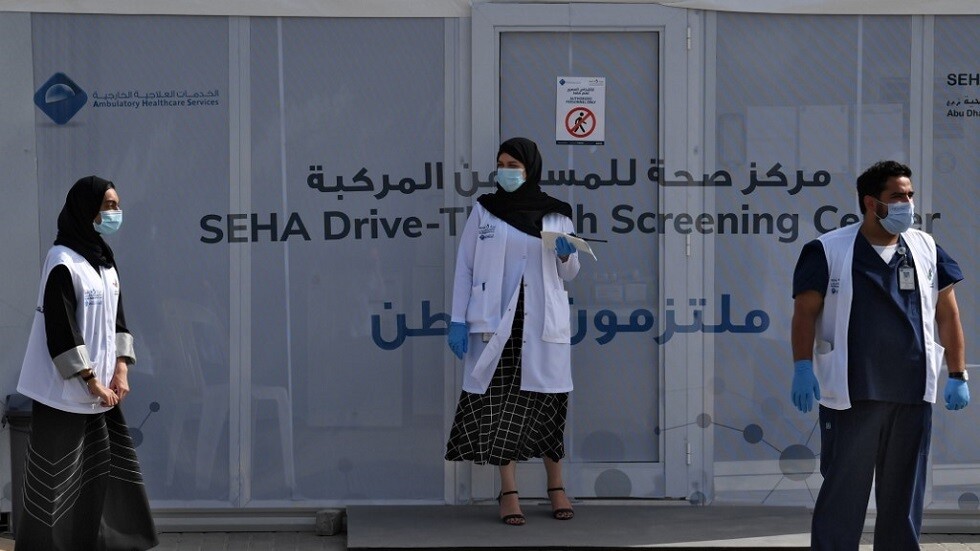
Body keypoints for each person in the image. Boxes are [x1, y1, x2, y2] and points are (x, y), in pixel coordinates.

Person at [790, 160, 968, 550]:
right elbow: (804, 313)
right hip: (854, 395)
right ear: (872, 203)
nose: (908, 203)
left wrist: (957, 374)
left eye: (910, 195)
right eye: (898, 196)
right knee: (843, 496)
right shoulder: (828, 250)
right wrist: (802, 367)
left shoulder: (925, 248)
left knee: (903, 500)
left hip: (911, 394)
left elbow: (948, 314)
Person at [16, 176, 158, 550]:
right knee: (55, 480)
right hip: (64, 392)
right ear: (87, 209)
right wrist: (90, 379)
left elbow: (117, 320)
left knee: (105, 470)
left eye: (117, 205)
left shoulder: (104, 261)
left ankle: (103, 542)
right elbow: (60, 328)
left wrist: (121, 368)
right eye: (109, 205)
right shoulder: (62, 261)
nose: (116, 212)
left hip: (101, 390)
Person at [444, 137, 580, 525]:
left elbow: (569, 273)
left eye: (513, 166)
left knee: (548, 405)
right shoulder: (485, 210)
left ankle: (556, 486)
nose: (505, 171)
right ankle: (508, 491)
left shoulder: (557, 214)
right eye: (501, 164)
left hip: (541, 322)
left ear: (530, 169)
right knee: (501, 404)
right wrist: (458, 319)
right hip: (495, 322)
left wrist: (566, 255)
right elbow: (465, 266)